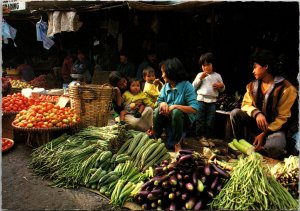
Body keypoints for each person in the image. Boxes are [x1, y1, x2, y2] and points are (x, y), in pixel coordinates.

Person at [230, 49, 298, 159]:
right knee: (235, 113)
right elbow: (245, 104)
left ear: (265, 66)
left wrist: (264, 134)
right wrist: (257, 114)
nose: (253, 71)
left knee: (275, 146)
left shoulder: (287, 89)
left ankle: (261, 145)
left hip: (275, 130)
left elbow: (282, 118)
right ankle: (241, 145)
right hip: (257, 126)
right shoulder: (252, 86)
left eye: (255, 67)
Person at [153, 57, 199, 150]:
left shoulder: (187, 86)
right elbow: (159, 101)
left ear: (171, 72)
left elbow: (194, 109)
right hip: (167, 117)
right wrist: (162, 103)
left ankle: (176, 143)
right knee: (158, 110)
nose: (162, 76)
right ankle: (156, 139)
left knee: (176, 112)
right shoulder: (166, 86)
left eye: (163, 72)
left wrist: (175, 106)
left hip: (182, 121)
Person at [192, 52, 225, 138]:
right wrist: (200, 78)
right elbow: (193, 86)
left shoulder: (217, 76)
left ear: (213, 64)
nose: (205, 67)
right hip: (200, 101)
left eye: (208, 64)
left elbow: (222, 88)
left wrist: (221, 86)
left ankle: (208, 137)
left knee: (210, 121)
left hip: (212, 102)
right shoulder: (200, 75)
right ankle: (200, 137)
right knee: (200, 119)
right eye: (203, 65)